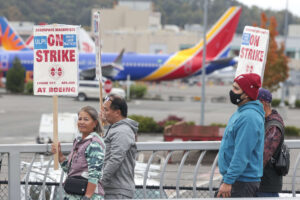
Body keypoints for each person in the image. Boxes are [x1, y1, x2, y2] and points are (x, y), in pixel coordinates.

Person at [217, 73, 265, 198]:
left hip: (241, 181)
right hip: (235, 179)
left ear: (247, 94)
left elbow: (242, 154)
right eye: (233, 87)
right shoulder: (241, 112)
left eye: (236, 89)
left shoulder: (249, 117)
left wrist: (228, 181)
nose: (232, 92)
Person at [52, 106, 105, 200]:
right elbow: (70, 171)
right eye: (80, 119)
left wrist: (87, 197)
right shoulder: (78, 141)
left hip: (89, 196)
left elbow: (94, 174)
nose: (82, 122)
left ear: (95, 123)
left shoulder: (94, 143)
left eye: (86, 119)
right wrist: (59, 154)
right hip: (73, 195)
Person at [101, 94, 139, 199]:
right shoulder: (115, 128)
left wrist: (100, 182)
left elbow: (115, 159)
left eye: (106, 110)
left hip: (117, 191)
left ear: (117, 112)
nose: (103, 113)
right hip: (112, 189)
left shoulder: (122, 131)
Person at [256, 88, 284, 197]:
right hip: (263, 183)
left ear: (262, 103)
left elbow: (262, 156)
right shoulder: (265, 121)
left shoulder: (273, 127)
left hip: (265, 186)